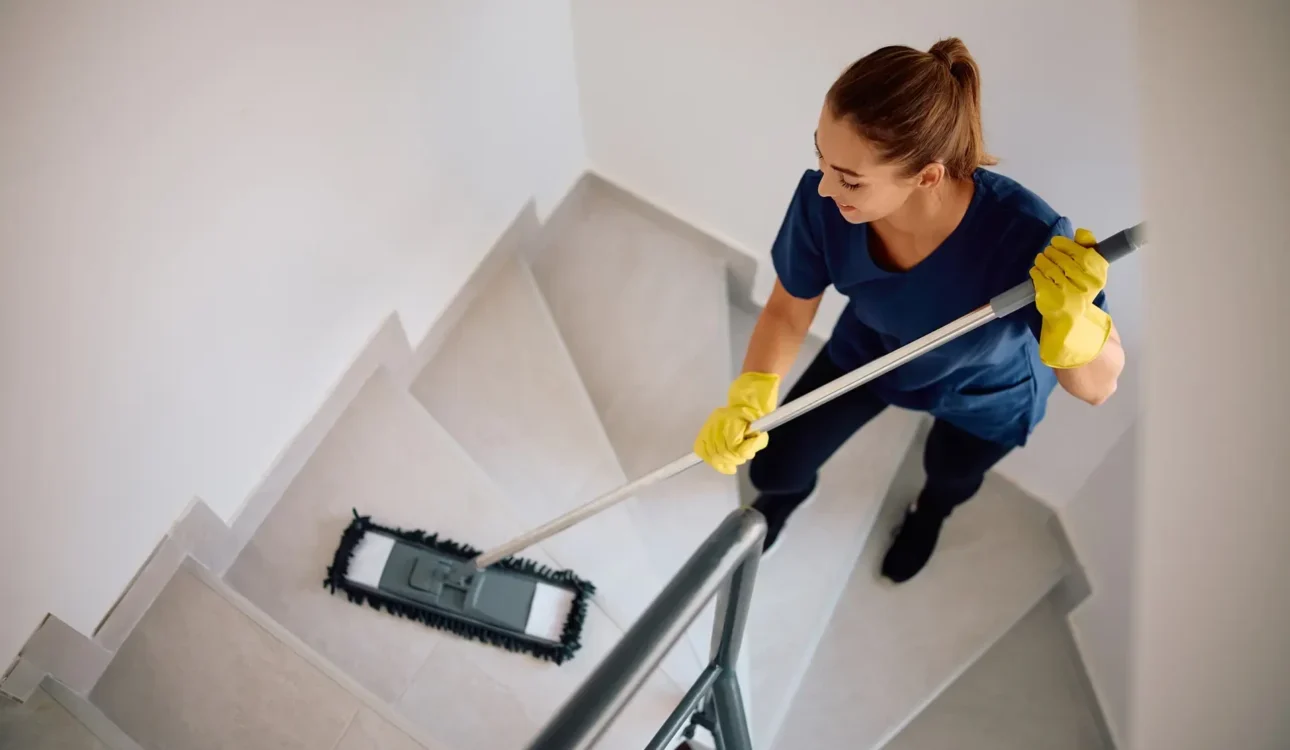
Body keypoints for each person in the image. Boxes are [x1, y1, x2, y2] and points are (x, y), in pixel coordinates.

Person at [693, 37, 1125, 583]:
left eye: (849, 178)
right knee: (775, 464)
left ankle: (929, 515)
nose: (825, 188)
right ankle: (787, 497)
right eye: (821, 160)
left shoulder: (1029, 238)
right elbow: (787, 308)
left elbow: (1098, 386)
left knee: (949, 474)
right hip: (873, 351)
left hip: (984, 393)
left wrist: (1074, 323)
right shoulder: (824, 201)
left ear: (926, 175)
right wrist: (750, 393)